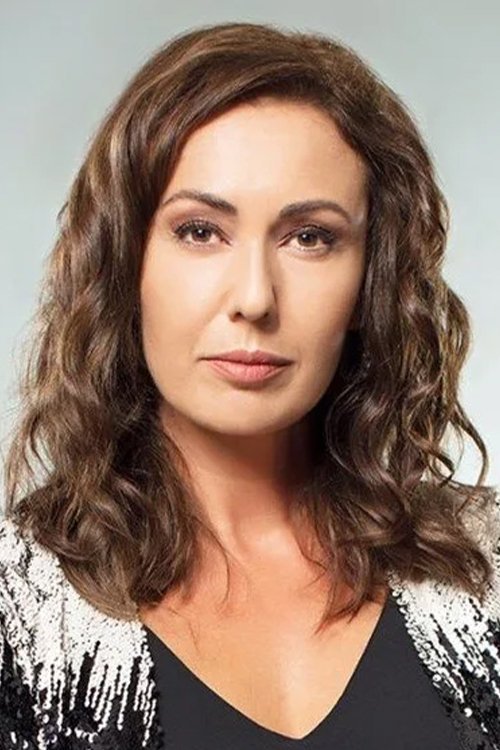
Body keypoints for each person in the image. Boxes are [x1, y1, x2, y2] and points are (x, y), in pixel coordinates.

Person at [0, 19, 499, 750]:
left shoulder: (485, 563)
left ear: (372, 282)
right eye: (201, 231)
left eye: (310, 237)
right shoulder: (16, 607)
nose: (256, 298)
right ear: (124, 261)